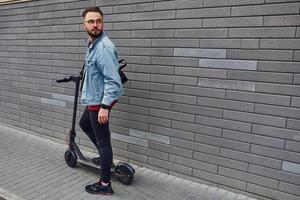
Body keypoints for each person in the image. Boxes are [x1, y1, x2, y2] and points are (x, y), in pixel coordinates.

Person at [79, 7, 123, 195]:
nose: (95, 25)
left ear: (103, 22)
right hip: (94, 98)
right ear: (84, 25)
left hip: (100, 102)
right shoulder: (93, 43)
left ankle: (105, 184)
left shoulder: (104, 48)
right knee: (84, 124)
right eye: (91, 21)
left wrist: (104, 107)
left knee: (104, 141)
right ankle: (106, 158)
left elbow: (112, 81)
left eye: (98, 21)